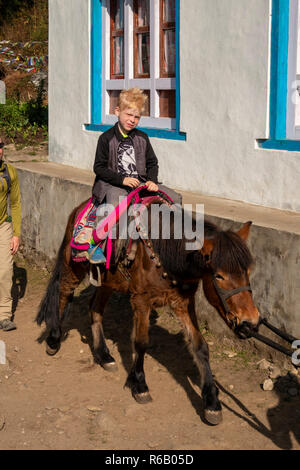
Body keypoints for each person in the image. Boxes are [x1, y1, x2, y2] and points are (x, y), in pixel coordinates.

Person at [74, 88, 181, 263]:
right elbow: (99, 167)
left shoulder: (143, 138)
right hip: (113, 184)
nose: (132, 120)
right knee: (115, 206)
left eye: (137, 117)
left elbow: (152, 163)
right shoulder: (105, 139)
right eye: (128, 114)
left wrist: (152, 181)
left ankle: (170, 244)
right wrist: (121, 179)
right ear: (117, 112)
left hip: (141, 184)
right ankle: (95, 244)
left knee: (175, 197)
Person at [0, 138, 21, 331]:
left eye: (0, 146)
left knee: (5, 271)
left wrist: (16, 234)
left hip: (2, 227)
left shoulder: (9, 172)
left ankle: (4, 315)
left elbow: (15, 204)